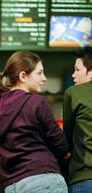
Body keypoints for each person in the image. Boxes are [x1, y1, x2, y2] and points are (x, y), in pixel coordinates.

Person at [0, 51, 69, 193]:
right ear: (23, 76)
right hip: (44, 180)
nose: (44, 78)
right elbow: (60, 145)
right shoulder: (36, 102)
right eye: (39, 73)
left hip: (12, 186)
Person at [63, 46, 92, 193]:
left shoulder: (73, 92)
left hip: (84, 176)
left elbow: (67, 136)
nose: (73, 75)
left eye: (78, 70)